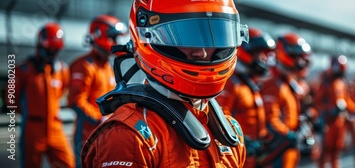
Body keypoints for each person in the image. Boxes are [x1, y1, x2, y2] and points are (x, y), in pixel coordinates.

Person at [80, 0, 249, 167]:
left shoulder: (232, 131)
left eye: (215, 36)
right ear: (147, 36)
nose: (202, 53)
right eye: (187, 37)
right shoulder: (128, 137)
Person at [5, 22, 75, 168]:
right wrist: (26, 113)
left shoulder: (62, 70)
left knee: (68, 163)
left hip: (55, 127)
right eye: (50, 50)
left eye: (55, 51)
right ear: (40, 46)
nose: (52, 54)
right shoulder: (23, 70)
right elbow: (11, 99)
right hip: (33, 129)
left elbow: (62, 92)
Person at [67, 14, 126, 167]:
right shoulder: (84, 65)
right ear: (100, 35)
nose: (115, 43)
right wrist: (100, 119)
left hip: (107, 134)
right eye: (113, 38)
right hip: (87, 135)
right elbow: (76, 101)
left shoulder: (107, 66)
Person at [215, 27, 275, 167]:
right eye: (259, 53)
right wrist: (242, 141)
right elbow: (219, 118)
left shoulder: (248, 83)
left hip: (252, 155)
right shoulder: (231, 82)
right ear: (245, 51)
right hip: (237, 155)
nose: (264, 59)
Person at [260, 32, 312, 168]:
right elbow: (270, 121)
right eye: (297, 57)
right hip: (277, 151)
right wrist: (289, 135)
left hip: (288, 150)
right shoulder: (274, 85)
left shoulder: (287, 82)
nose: (301, 61)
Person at [314, 55, 355, 168]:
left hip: (340, 120)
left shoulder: (341, 82)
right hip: (328, 121)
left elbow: (347, 100)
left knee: (337, 149)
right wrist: (329, 109)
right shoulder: (325, 82)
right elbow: (318, 102)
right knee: (325, 150)